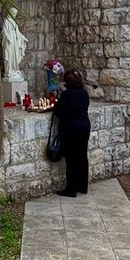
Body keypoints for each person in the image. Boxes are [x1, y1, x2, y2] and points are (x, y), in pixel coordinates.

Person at [52, 68, 91, 197]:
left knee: (71, 159)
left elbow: (58, 111)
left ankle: (71, 189)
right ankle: (82, 186)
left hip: (71, 128)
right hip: (84, 126)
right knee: (82, 157)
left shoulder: (67, 95)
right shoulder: (84, 93)